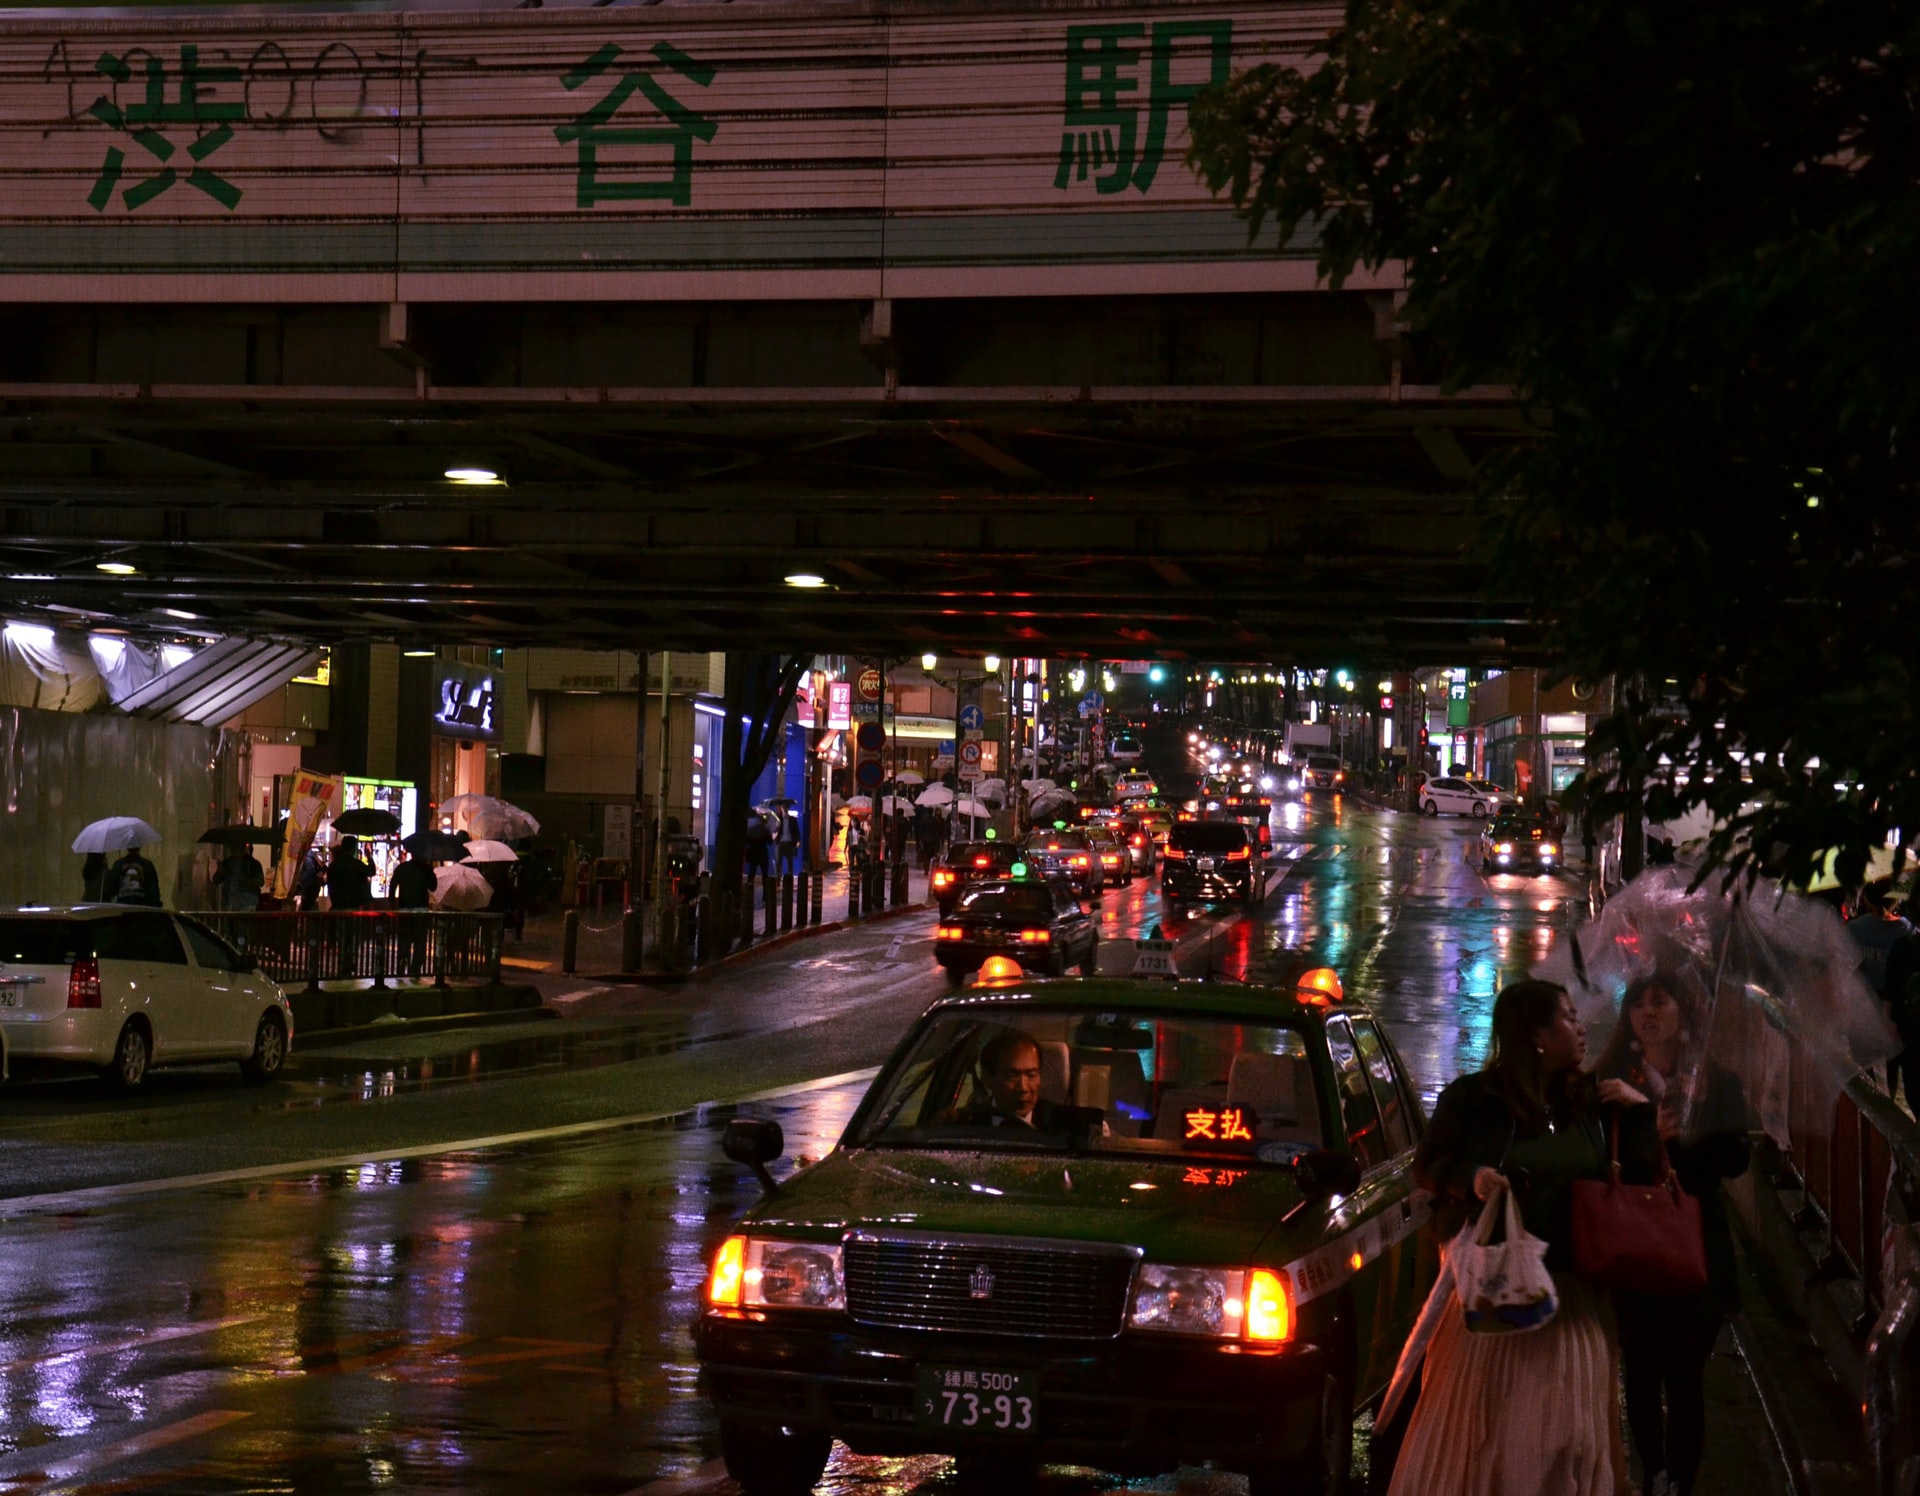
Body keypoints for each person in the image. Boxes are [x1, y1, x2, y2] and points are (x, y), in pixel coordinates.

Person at [1389, 979, 1656, 1496]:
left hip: (1574, 1298)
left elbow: (1634, 1182)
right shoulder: (1474, 1098)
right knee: (1490, 1439)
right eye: (1569, 1017)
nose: (1582, 1029)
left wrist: (1639, 1113)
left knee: (1567, 1439)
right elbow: (1429, 1164)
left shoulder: (1592, 1102)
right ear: (1536, 1033)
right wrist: (1473, 1178)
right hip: (1498, 1300)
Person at [1595, 975, 1751, 1496]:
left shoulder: (1715, 1080)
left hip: (1695, 1247)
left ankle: (1680, 1481)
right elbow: (1601, 1164)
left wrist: (1693, 1131)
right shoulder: (1614, 1078)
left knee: (1685, 1377)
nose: (1647, 1013)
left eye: (1658, 1002)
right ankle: (1653, 1470)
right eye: (1637, 1005)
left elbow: (1735, 1161)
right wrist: (1645, 1127)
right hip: (1637, 1245)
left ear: (1683, 1011)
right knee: (1640, 1371)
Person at [954, 1029, 1074, 1131]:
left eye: (1031, 1075)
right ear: (987, 1080)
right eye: (1011, 1076)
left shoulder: (1065, 1124)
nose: (1023, 1088)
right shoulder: (967, 1124)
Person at [1884, 892, 1920, 1109]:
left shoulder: (1902, 946)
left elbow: (1890, 991)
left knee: (1914, 1083)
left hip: (1909, 1030)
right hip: (1909, 1028)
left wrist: (1887, 1024)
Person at [326, 836, 374, 977]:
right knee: (353, 937)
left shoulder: (334, 865)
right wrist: (369, 856)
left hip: (338, 906)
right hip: (353, 906)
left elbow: (331, 885)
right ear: (353, 848)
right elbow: (371, 871)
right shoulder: (357, 864)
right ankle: (350, 960)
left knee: (341, 937)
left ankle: (342, 963)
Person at [390, 850, 436, 981]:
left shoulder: (402, 868)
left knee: (404, 940)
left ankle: (401, 966)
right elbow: (433, 887)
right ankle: (415, 969)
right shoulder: (426, 869)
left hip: (405, 909)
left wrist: (393, 903)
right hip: (421, 910)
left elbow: (393, 885)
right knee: (420, 941)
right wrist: (430, 871)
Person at [215, 848, 265, 913]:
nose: (235, 850)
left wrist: (247, 880)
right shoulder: (227, 863)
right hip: (229, 903)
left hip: (247, 903)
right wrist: (220, 873)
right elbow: (216, 880)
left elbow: (260, 882)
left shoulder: (253, 863)